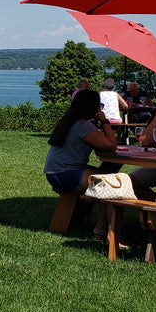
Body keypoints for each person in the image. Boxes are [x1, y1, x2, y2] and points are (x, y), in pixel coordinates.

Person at [43, 89, 121, 245]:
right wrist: (104, 121)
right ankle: (101, 230)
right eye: (99, 105)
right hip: (67, 176)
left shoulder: (70, 121)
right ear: (92, 107)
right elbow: (111, 146)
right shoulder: (83, 126)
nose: (101, 108)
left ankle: (90, 219)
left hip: (55, 173)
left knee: (108, 176)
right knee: (110, 184)